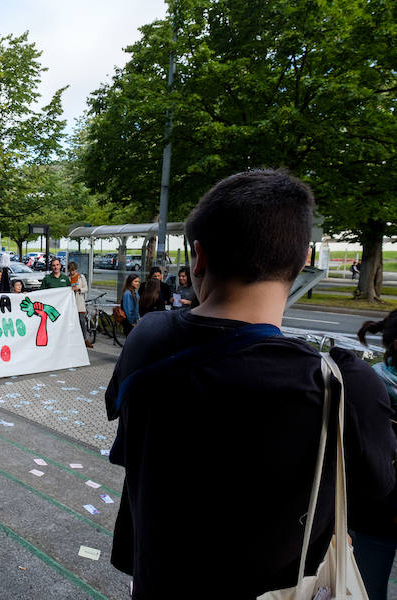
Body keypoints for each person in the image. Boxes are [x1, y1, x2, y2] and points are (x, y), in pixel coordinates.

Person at [104, 170, 397, 598]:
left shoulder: (147, 338)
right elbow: (376, 495)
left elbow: (128, 449)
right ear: (303, 260)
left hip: (159, 582)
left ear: (199, 257)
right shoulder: (341, 384)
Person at [352, 312, 397, 600]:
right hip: (374, 515)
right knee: (367, 591)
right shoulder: (369, 387)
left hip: (371, 513)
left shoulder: (368, 382)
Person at [69, 261, 93, 349]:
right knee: (73, 322)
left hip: (79, 303)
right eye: (71, 270)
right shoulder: (68, 278)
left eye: (73, 270)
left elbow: (86, 288)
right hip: (71, 303)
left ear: (76, 270)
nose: (72, 272)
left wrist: (79, 289)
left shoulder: (81, 277)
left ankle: (85, 339)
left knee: (82, 321)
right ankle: (75, 339)